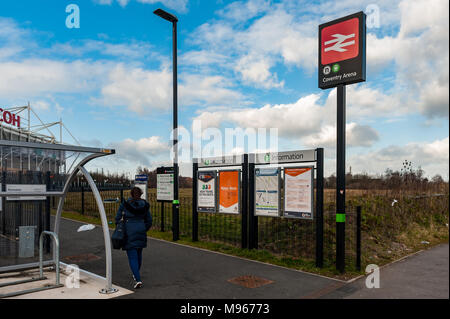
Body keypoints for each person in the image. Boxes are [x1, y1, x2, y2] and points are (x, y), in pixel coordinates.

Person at [115, 187, 152, 289]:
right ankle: (136, 274)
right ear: (141, 194)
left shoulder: (125, 204)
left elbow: (117, 218)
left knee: (132, 257)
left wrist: (120, 227)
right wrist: (143, 228)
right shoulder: (145, 205)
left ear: (131, 194)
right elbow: (149, 220)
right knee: (139, 254)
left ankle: (138, 279)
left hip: (128, 231)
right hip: (141, 230)